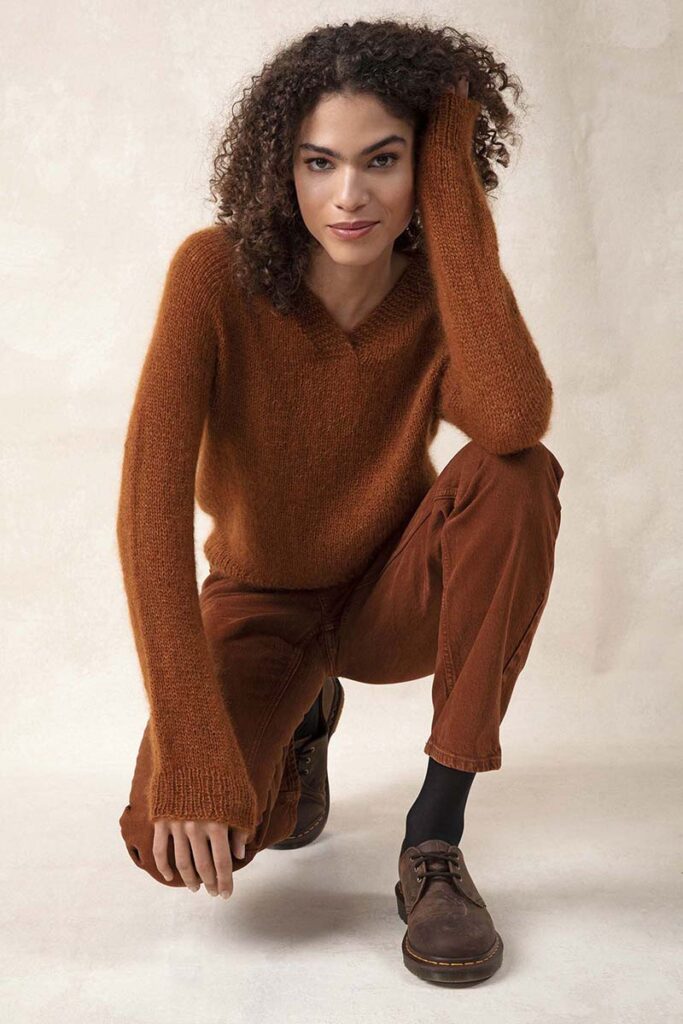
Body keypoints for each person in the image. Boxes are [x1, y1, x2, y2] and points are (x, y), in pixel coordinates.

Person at [116, 18, 564, 984]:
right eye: (318, 162)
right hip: (261, 598)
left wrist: (452, 191)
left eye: (384, 160)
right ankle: (303, 727)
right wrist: (192, 749)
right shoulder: (212, 276)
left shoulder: (441, 293)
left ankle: (434, 836)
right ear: (281, 166)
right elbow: (147, 516)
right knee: (173, 838)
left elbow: (513, 416)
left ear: (425, 168)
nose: (348, 196)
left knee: (518, 474)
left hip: (392, 595)